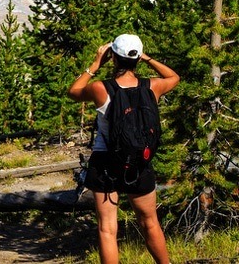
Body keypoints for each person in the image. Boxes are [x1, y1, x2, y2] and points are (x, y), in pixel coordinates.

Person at [69, 34, 179, 264]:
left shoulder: (101, 89)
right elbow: (174, 77)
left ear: (113, 58)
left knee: (107, 229)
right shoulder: (153, 87)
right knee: (150, 223)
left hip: (105, 163)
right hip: (139, 163)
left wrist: (95, 64)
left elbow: (74, 91)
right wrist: (147, 58)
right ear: (137, 59)